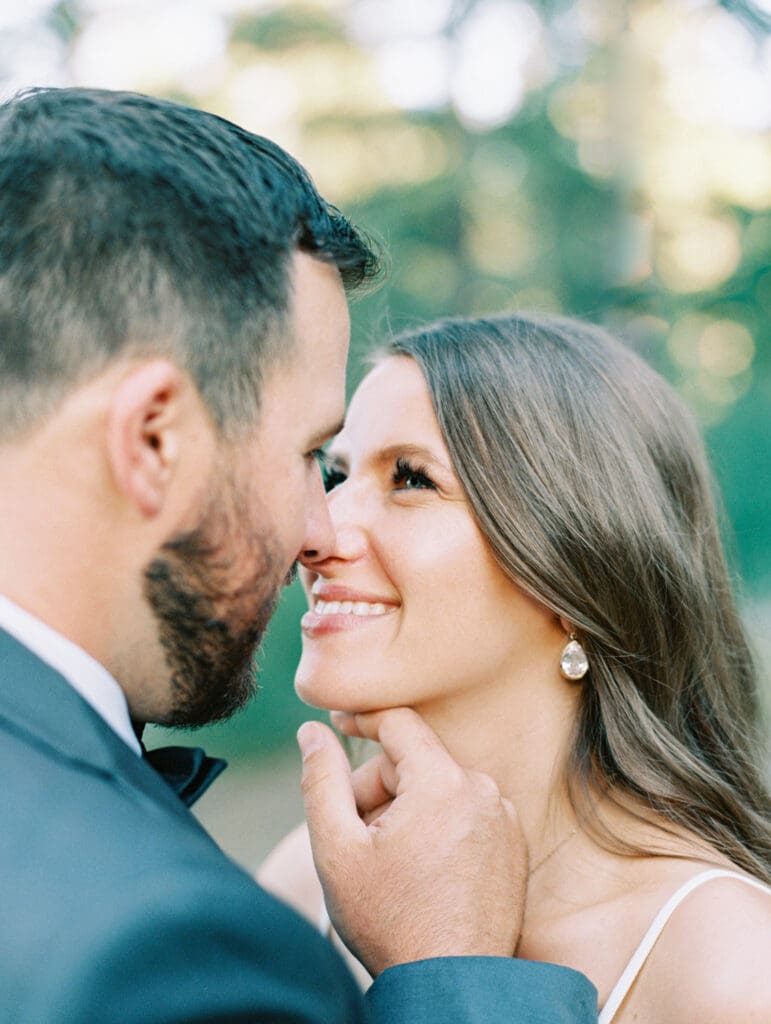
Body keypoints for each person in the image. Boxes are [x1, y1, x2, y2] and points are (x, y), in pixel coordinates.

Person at [0, 88, 598, 1022]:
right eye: (307, 457)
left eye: (405, 477)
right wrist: (452, 980)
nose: (321, 534)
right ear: (152, 441)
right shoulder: (160, 952)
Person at [262, 313, 771, 1022]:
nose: (313, 531)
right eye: (334, 474)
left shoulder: (731, 969)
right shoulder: (308, 886)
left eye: (410, 478)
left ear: (575, 572)